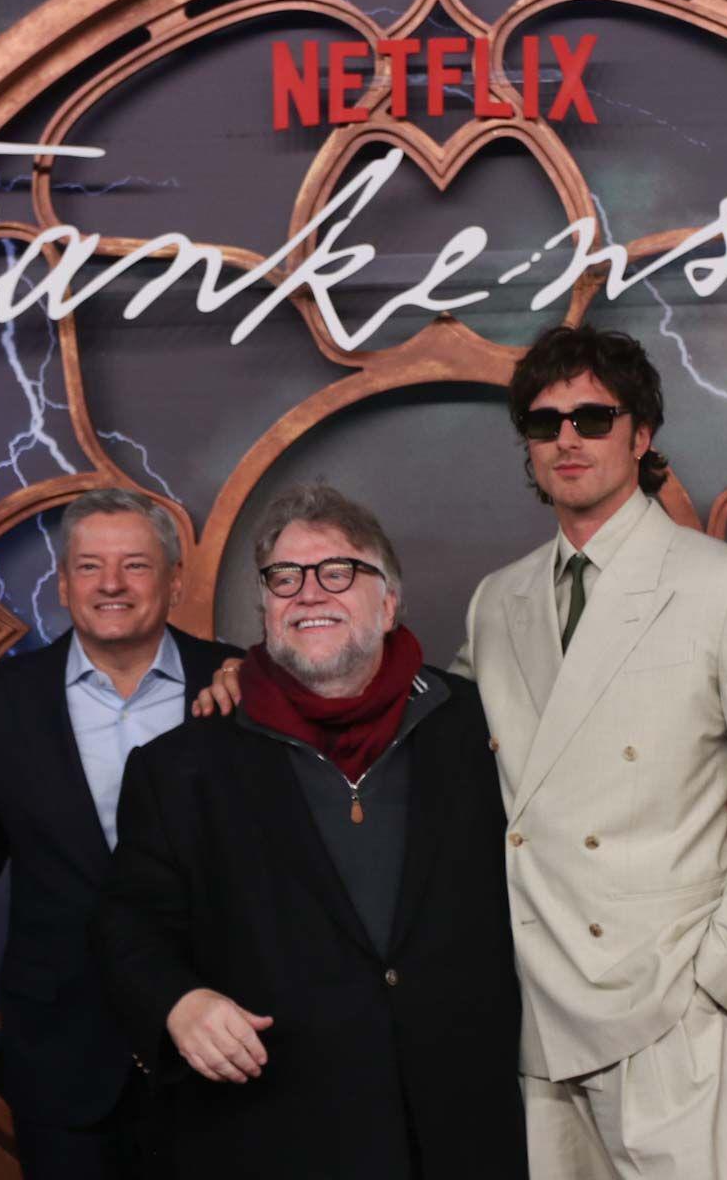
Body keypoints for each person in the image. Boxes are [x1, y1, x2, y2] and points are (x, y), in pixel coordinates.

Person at [455, 323, 727, 1179]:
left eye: (593, 418)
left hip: (672, 1016)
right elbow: (428, 737)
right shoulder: (499, 600)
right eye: (544, 422)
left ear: (641, 436)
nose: (567, 439)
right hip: (536, 1015)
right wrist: (248, 676)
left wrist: (722, 977)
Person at [92, 484, 527, 1180]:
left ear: (389, 603)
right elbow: (128, 925)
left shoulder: (480, 727)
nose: (309, 593)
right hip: (275, 1132)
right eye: (285, 578)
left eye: (338, 572)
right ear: (265, 609)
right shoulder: (180, 767)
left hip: (464, 1128)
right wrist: (178, 1002)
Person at [0, 488, 239, 1179]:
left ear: (175, 581)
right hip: (62, 1060)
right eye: (89, 566)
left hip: (217, 1051)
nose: (111, 584)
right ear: (63, 584)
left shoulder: (244, 688)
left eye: (135, 565)